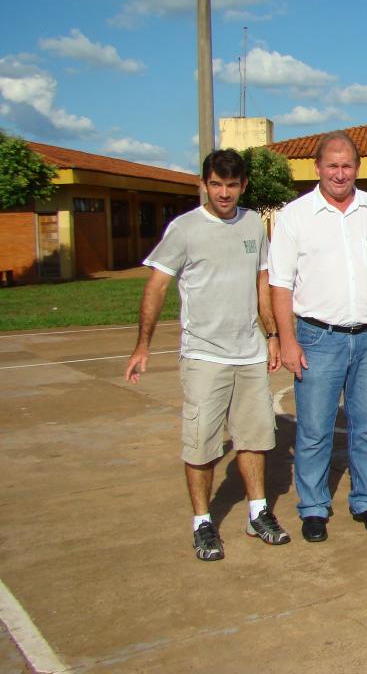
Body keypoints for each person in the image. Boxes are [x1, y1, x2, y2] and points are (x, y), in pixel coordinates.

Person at [125, 149, 290, 562]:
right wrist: (143, 344)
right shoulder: (184, 229)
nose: (224, 193)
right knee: (201, 444)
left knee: (255, 438)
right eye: (216, 184)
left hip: (249, 353)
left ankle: (257, 513)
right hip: (204, 355)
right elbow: (157, 287)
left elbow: (262, 282)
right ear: (204, 184)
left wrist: (270, 335)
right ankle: (202, 522)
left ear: (243, 186)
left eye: (232, 185)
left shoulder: (253, 223)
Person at [269, 130, 367, 543]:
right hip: (317, 338)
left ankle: (366, 501)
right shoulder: (294, 216)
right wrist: (286, 340)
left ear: (357, 168)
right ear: (317, 168)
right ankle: (313, 508)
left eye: (347, 166)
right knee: (314, 428)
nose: (339, 173)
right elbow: (279, 285)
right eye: (332, 165)